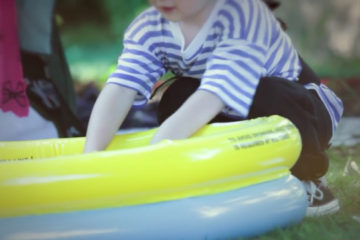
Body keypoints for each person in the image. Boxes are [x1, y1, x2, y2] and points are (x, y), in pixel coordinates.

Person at [83, 0, 344, 217]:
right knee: (176, 97)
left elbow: (214, 95)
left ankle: (308, 178)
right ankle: (220, 174)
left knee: (267, 93)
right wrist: (90, 161)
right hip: (235, 110)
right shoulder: (151, 27)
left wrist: (152, 157)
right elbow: (119, 89)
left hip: (304, 110)